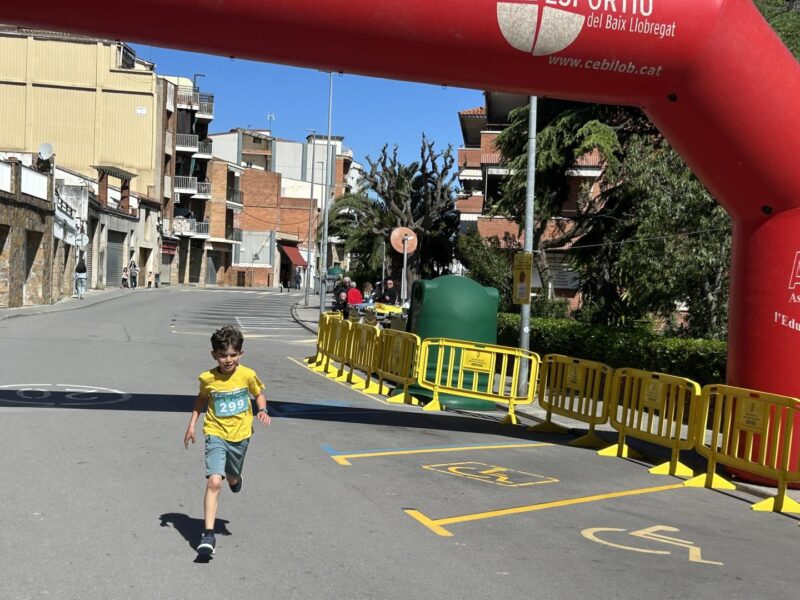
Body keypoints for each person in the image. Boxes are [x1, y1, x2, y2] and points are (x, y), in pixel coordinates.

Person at [183, 326, 270, 556]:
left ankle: (235, 478)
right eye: (223, 355)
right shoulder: (208, 378)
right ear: (214, 355)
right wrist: (192, 425)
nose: (228, 360)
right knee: (214, 481)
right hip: (215, 432)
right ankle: (208, 534)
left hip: (241, 435)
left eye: (233, 354)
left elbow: (259, 393)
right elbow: (201, 400)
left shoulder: (247, 375)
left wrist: (262, 409)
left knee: (231, 478)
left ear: (240, 354)